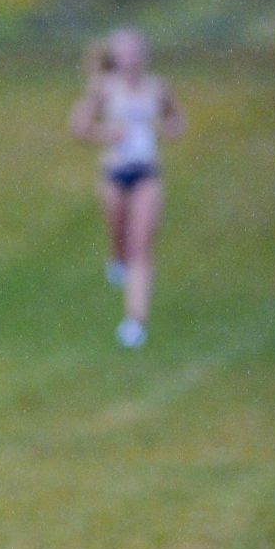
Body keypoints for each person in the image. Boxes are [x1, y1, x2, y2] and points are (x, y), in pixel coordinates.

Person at [70, 28, 184, 348]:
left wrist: (168, 129)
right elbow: (79, 127)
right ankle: (116, 260)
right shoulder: (103, 88)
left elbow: (176, 121)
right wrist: (106, 134)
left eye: (136, 51)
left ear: (144, 55)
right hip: (114, 172)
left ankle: (135, 321)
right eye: (125, 52)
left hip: (147, 172)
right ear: (115, 57)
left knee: (141, 247)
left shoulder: (158, 88)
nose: (132, 58)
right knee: (119, 235)